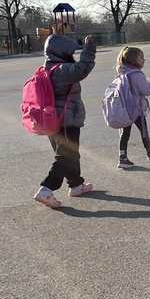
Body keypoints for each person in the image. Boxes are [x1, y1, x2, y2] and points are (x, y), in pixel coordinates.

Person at [34, 33, 96, 208]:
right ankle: (46, 189)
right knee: (67, 155)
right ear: (62, 52)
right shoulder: (61, 69)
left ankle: (76, 185)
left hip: (50, 119)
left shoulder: (46, 67)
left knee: (69, 153)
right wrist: (89, 48)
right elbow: (82, 68)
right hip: (66, 118)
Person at [114, 46, 150, 169]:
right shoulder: (136, 74)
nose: (144, 60)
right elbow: (147, 90)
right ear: (133, 60)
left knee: (124, 134)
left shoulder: (121, 73)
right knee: (144, 131)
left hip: (124, 109)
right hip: (136, 110)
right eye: (141, 57)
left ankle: (122, 157)